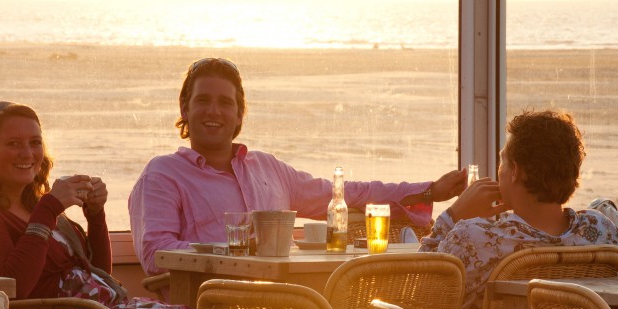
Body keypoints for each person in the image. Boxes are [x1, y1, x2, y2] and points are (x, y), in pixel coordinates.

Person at [129, 57, 468, 274]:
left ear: (239, 114)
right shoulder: (162, 175)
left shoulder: (267, 169)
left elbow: (347, 193)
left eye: (225, 103)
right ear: (185, 110)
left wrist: (430, 190)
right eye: (202, 101)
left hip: (280, 305)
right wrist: (234, 254)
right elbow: (154, 255)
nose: (213, 111)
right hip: (202, 308)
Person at [0, 101, 208, 309]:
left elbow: (98, 275)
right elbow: (10, 290)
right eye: (14, 144)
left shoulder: (35, 204)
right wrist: (50, 208)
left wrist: (96, 216)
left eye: (35, 142)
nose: (28, 154)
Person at [419, 109, 618, 309]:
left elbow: (423, 294)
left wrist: (453, 215)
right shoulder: (601, 230)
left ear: (515, 171)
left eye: (502, 162)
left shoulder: (474, 239)